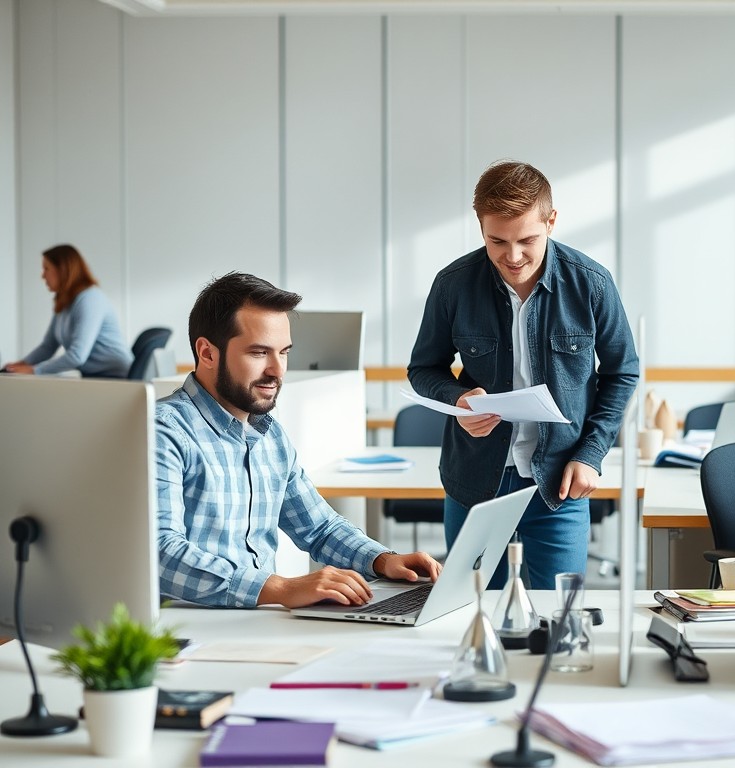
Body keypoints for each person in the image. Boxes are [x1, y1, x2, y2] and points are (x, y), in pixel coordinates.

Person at [408, 160, 638, 590]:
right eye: (497, 241)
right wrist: (458, 400)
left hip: (559, 483)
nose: (512, 257)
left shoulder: (591, 283)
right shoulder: (454, 284)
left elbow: (623, 372)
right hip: (475, 480)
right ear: (480, 227)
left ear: (551, 222)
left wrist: (591, 454)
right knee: (471, 611)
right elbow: (423, 368)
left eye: (527, 240)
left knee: (559, 618)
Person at [156, 272, 440, 608]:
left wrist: (383, 560)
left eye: (284, 352)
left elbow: (318, 527)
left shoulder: (269, 435)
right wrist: (281, 589)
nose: (277, 370)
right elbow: (160, 552)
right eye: (259, 353)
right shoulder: (164, 431)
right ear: (207, 353)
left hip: (256, 626)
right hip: (192, 633)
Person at [3, 244, 133, 378]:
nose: (42, 276)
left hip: (121, 378)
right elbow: (48, 346)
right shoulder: (65, 302)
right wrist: (19, 365)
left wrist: (34, 370)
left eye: (46, 269)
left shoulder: (90, 298)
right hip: (95, 377)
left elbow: (77, 356)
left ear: (63, 270)